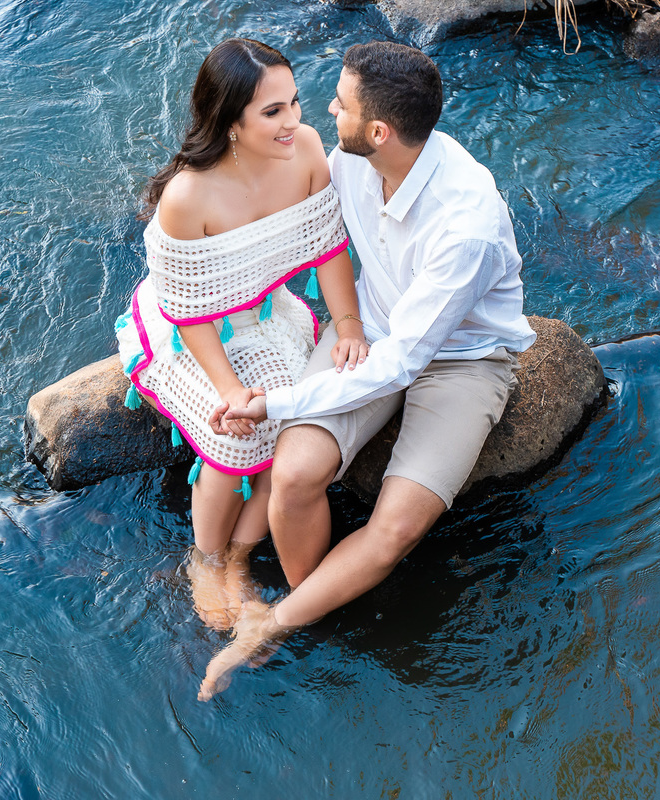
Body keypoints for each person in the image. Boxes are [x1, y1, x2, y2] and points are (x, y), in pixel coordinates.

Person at [199, 41, 537, 700]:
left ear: (378, 130)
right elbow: (300, 225)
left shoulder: (463, 223)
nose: (326, 109)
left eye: (340, 103)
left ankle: (277, 622)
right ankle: (316, 596)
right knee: (295, 473)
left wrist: (274, 403)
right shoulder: (355, 160)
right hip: (374, 332)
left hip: (463, 362)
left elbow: (405, 363)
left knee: (396, 528)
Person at [114, 39, 368, 634]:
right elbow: (189, 315)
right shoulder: (188, 197)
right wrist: (229, 390)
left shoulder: (306, 153)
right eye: (272, 112)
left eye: (295, 103)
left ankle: (237, 557)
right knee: (229, 437)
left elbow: (329, 246)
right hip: (189, 333)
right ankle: (204, 558)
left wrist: (349, 325)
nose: (294, 122)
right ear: (230, 121)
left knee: (282, 426)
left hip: (267, 316)